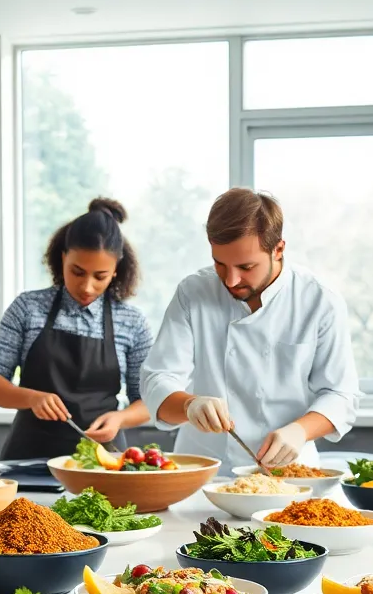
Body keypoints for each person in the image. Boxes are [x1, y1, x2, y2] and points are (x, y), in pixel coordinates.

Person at [140, 188, 361, 470]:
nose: (231, 280)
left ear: (278, 249)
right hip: (205, 471)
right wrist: (189, 405)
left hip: (288, 474)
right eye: (220, 264)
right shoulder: (193, 292)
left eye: (246, 266)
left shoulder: (319, 300)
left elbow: (341, 394)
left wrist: (300, 430)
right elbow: (157, 379)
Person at [0, 198, 154, 460]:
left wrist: (120, 419)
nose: (87, 287)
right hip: (31, 458)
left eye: (100, 276)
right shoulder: (28, 308)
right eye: (78, 272)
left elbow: (149, 401)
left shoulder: (132, 322)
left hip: (100, 462)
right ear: (62, 258)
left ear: (116, 269)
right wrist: (31, 398)